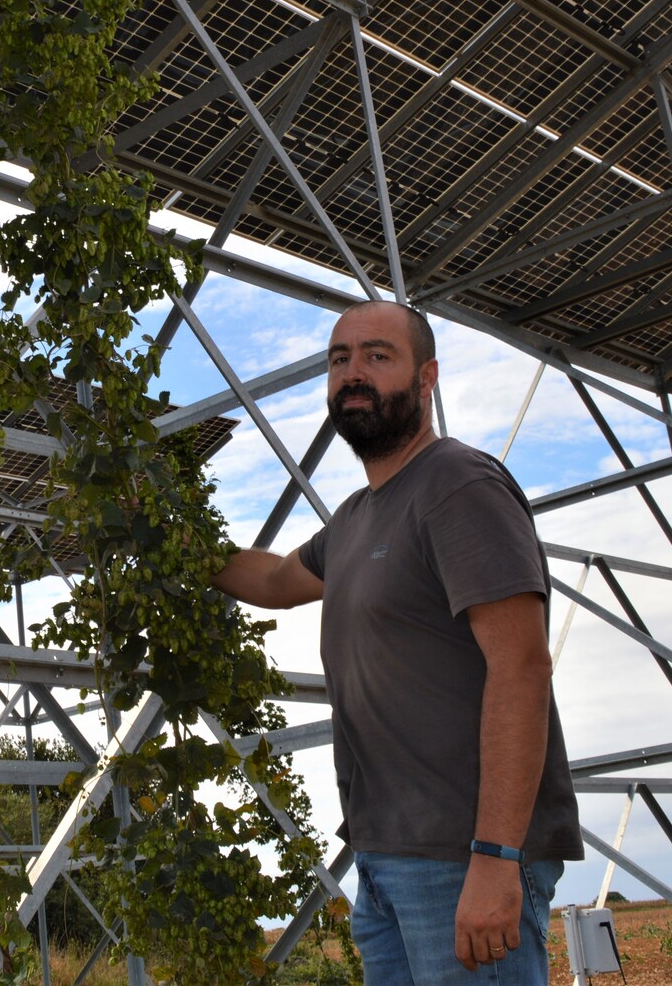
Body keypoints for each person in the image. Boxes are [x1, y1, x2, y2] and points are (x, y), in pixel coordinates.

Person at [212, 300, 582, 984]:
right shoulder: (354, 519)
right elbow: (271, 578)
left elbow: (522, 668)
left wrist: (497, 856)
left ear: (427, 376)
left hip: (461, 858)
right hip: (384, 858)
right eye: (339, 359)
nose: (354, 373)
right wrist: (172, 538)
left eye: (378, 356)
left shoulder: (457, 485)